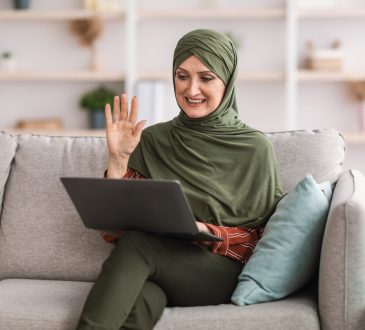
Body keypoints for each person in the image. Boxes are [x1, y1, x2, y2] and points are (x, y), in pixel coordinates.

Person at [76, 29, 283, 330]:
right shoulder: (152, 140)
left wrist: (205, 231)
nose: (191, 89)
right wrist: (118, 160)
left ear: (228, 80)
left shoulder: (254, 148)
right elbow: (112, 232)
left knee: (137, 244)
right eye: (182, 76)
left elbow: (264, 240)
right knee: (139, 301)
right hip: (160, 269)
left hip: (220, 273)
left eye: (206, 77)